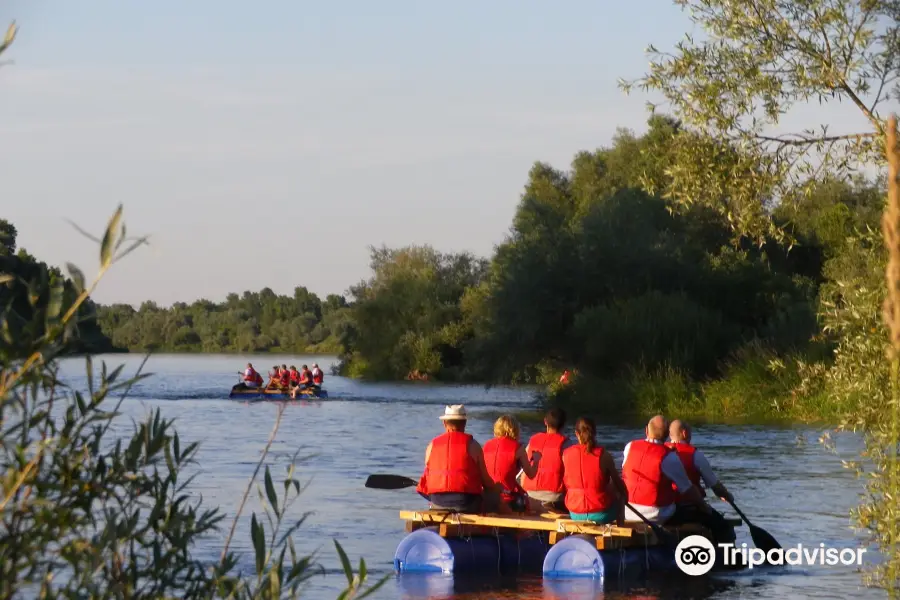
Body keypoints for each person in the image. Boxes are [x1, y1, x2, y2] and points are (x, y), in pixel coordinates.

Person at [416, 404, 503, 513]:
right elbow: (486, 482)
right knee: (493, 496)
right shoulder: (473, 445)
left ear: (444, 423)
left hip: (437, 503)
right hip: (466, 504)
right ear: (465, 423)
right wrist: (497, 488)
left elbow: (427, 477)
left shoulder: (431, 446)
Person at [622, 415, 705, 524]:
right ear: (667, 436)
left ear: (646, 430)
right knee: (690, 510)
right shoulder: (669, 457)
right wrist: (704, 506)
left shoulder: (630, 446)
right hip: (657, 514)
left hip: (628, 511)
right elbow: (687, 489)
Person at [664, 419, 736, 543]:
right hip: (688, 508)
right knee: (723, 526)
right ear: (685, 433)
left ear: (670, 435)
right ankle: (726, 557)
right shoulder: (695, 455)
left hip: (666, 507)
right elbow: (715, 485)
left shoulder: (661, 451)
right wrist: (726, 495)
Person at [562, 417, 628, 524]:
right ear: (595, 433)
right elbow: (619, 485)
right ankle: (621, 526)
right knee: (618, 490)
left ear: (576, 434)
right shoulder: (604, 455)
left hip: (575, 514)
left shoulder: (565, 455)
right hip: (601, 514)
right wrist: (625, 496)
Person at [483, 415, 540, 512]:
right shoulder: (518, 448)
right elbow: (531, 474)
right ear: (514, 430)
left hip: (486, 496)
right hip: (507, 497)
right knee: (539, 506)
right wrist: (536, 460)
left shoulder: (486, 445)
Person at [521, 407, 574, 512]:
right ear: (564, 424)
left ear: (545, 422)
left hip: (530, 496)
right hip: (554, 499)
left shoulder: (533, 441)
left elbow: (524, 470)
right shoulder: (567, 445)